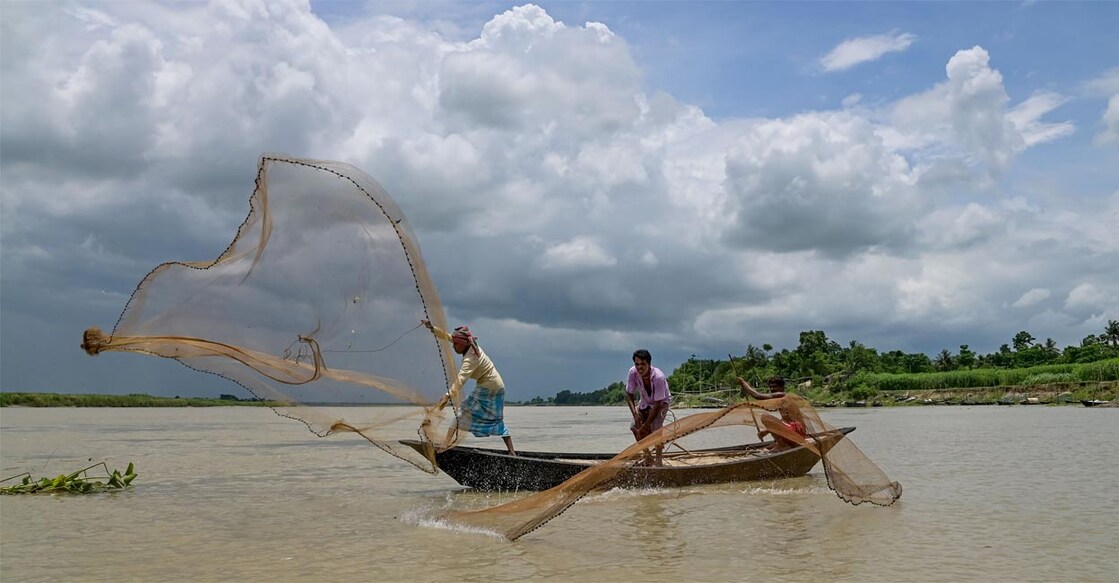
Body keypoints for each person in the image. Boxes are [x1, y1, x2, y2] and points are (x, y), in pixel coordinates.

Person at [423, 320, 515, 455]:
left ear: (463, 344)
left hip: (489, 387)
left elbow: (461, 380)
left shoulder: (470, 359)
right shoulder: (470, 345)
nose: (454, 347)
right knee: (495, 419)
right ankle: (512, 452)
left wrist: (448, 396)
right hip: (495, 386)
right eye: (454, 343)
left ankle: (445, 444)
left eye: (456, 344)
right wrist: (433, 328)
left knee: (462, 412)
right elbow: (449, 337)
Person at [625, 349, 671, 466]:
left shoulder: (658, 377)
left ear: (649, 364)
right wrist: (635, 415)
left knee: (656, 428)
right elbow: (629, 395)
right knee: (635, 427)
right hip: (645, 401)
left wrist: (647, 425)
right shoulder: (633, 372)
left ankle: (659, 460)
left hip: (661, 403)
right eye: (637, 364)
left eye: (643, 364)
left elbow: (658, 403)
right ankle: (648, 457)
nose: (640, 367)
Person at [736, 376, 806, 451]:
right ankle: (780, 443)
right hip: (795, 433)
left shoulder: (782, 395)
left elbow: (757, 396)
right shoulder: (781, 400)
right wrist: (766, 431)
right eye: (771, 387)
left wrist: (743, 383)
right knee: (771, 422)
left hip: (797, 433)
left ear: (782, 387)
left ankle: (782, 445)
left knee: (765, 417)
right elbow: (784, 421)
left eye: (775, 387)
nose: (772, 389)